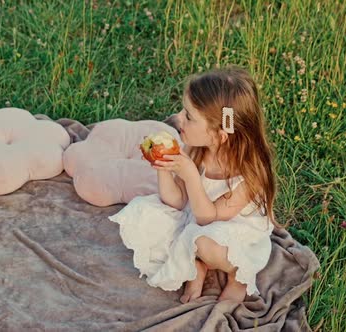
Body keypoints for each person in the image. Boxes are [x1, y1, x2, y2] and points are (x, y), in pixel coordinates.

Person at [109, 66, 281, 303]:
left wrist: (190, 175)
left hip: (232, 237)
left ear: (220, 135)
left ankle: (237, 276)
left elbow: (207, 219)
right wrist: (163, 170)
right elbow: (178, 201)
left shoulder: (251, 175)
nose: (178, 118)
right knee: (144, 213)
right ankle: (197, 265)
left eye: (189, 116)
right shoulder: (197, 148)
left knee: (204, 241)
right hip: (195, 221)